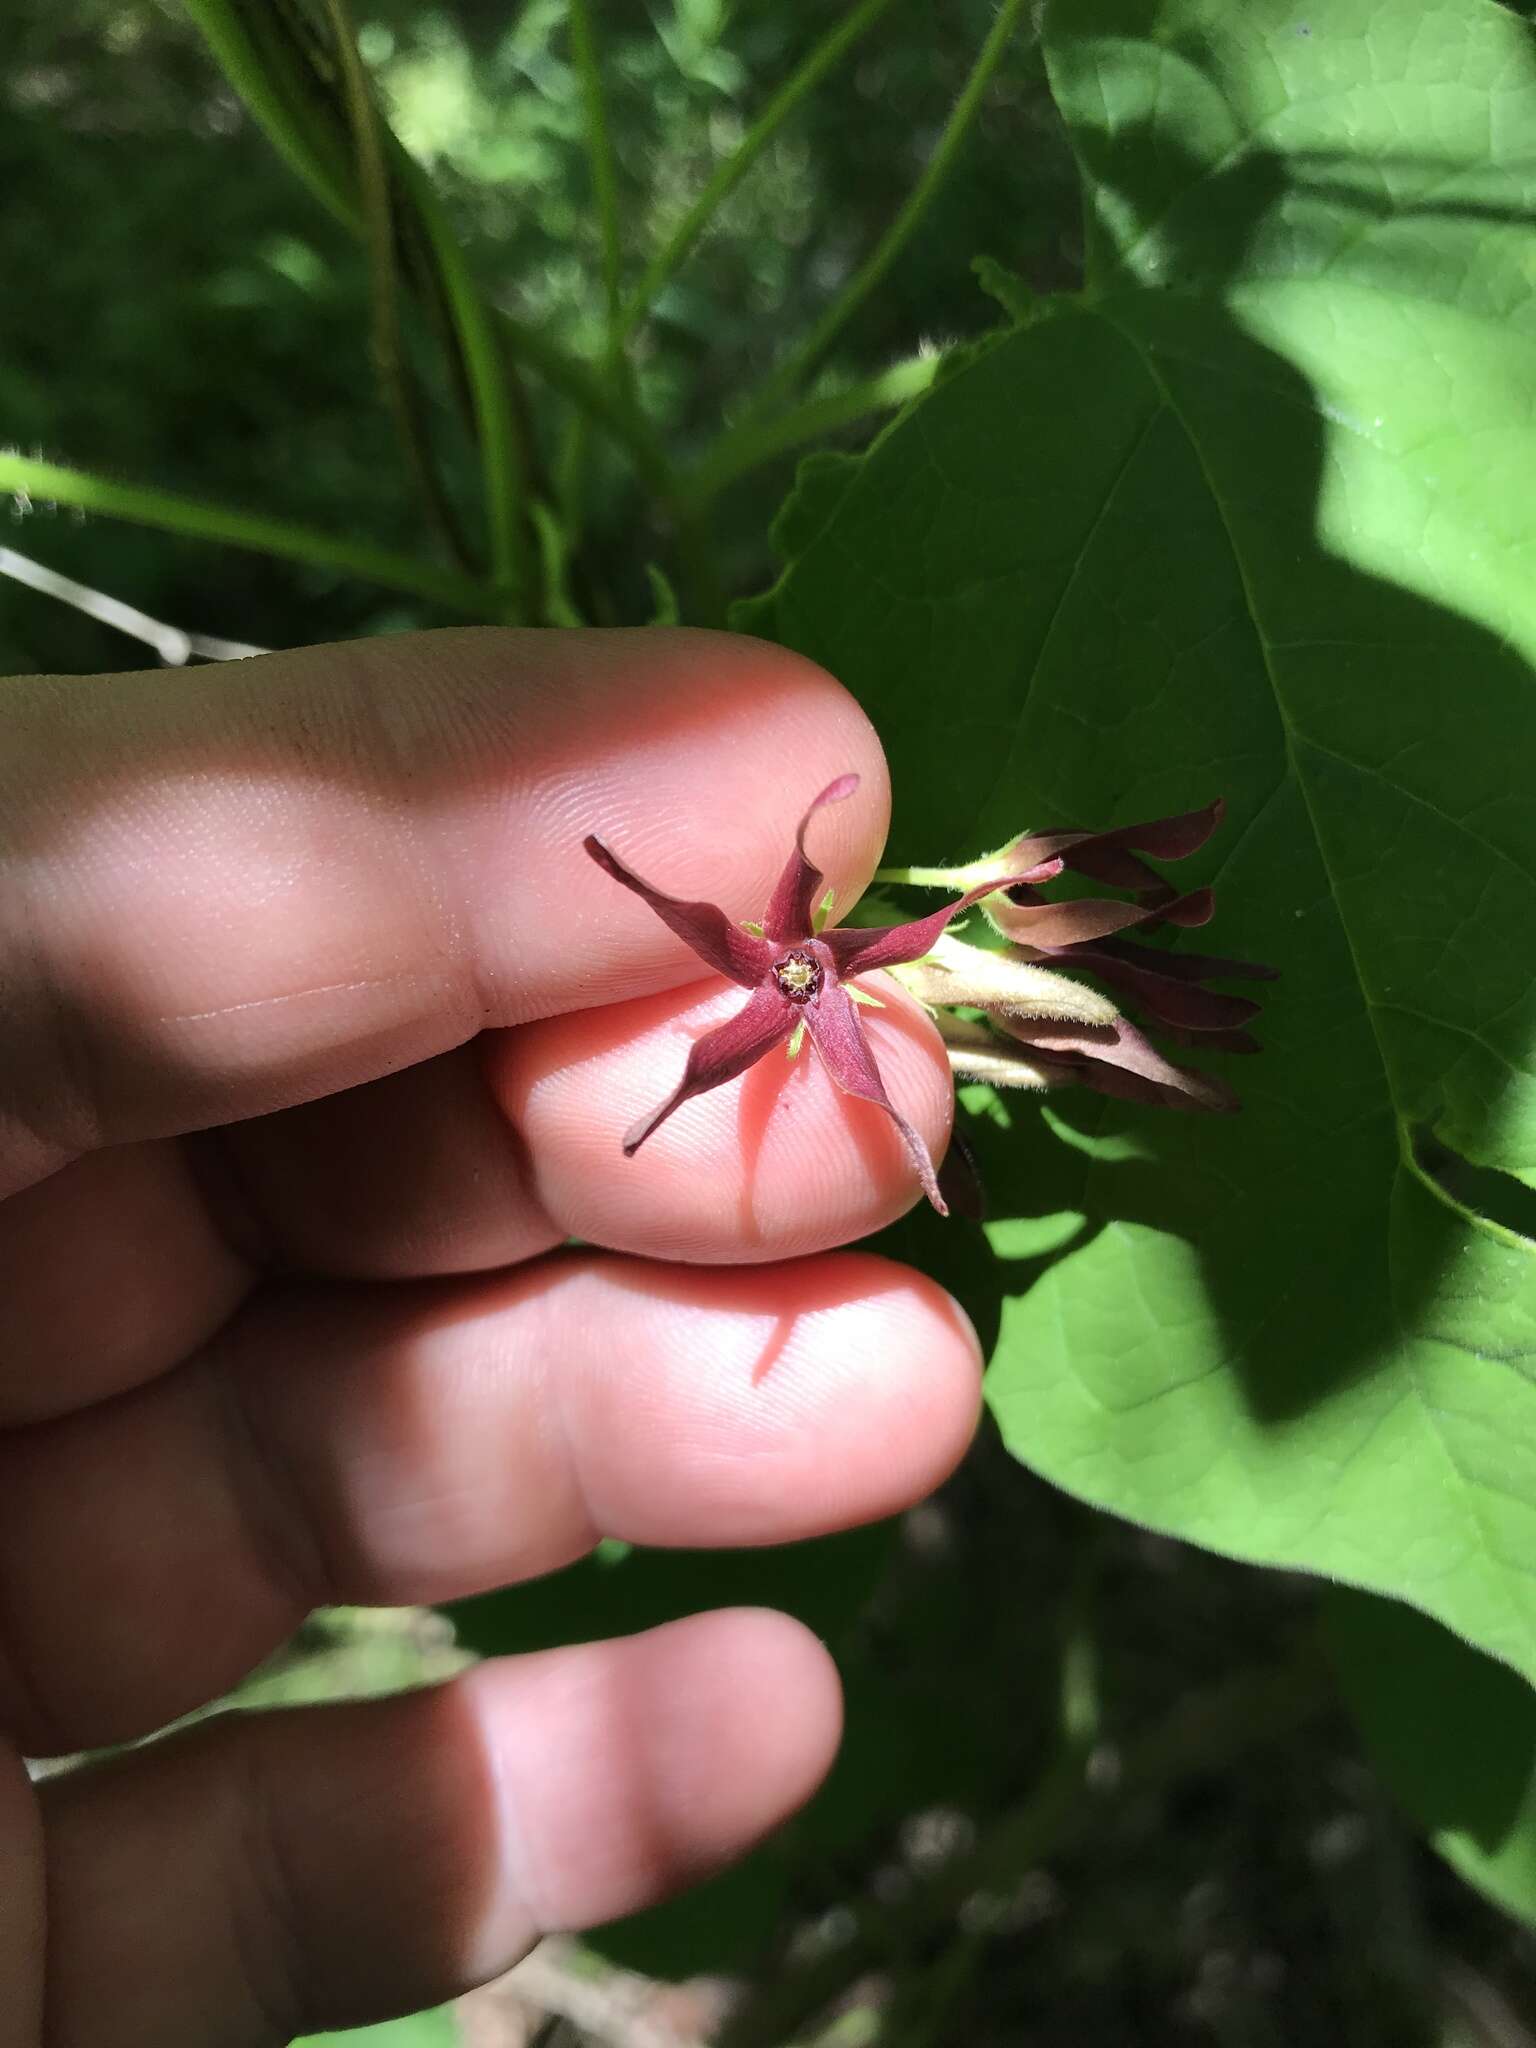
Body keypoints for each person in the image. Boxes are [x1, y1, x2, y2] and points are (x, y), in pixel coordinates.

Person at [0, 627, 983, 2047]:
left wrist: (852, 1040)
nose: (792, 982)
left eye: (804, 974)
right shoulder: (764, 981)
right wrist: (646, 905)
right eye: (794, 973)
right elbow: (707, 948)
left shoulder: (807, 978)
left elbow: (813, 978)